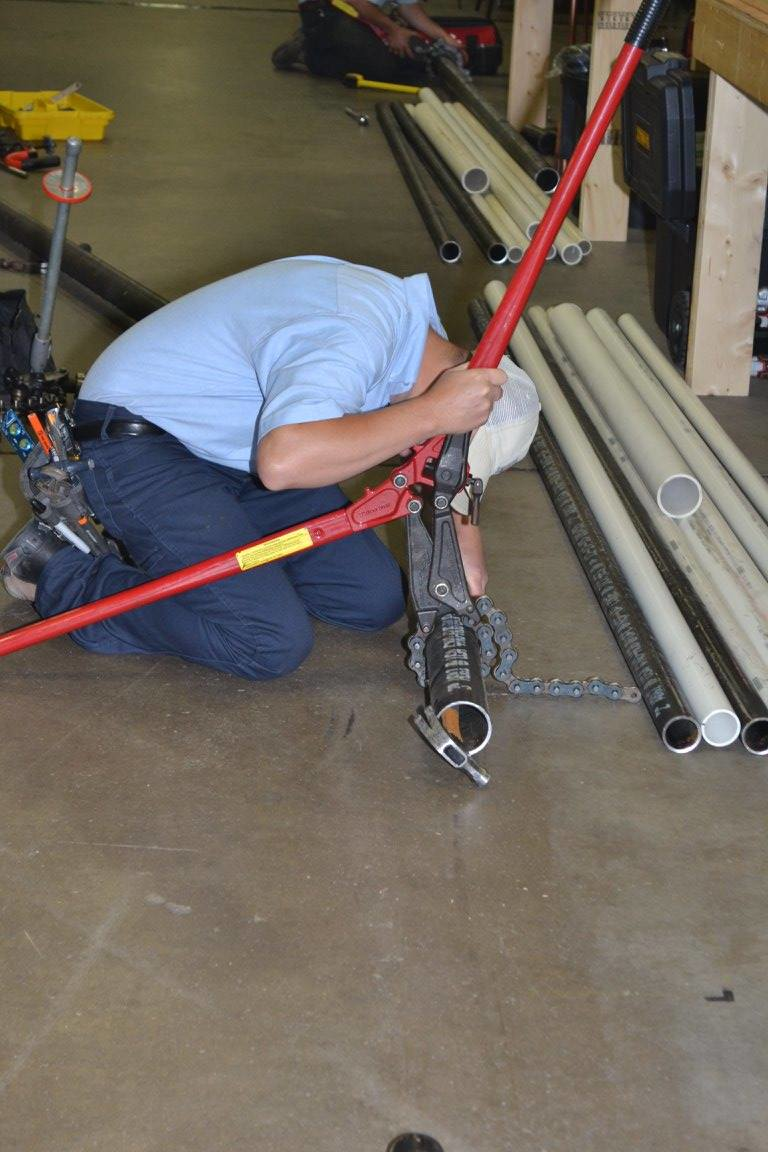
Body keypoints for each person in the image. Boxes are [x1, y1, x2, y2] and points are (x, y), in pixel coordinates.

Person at [1, 257, 538, 682]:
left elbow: (447, 443)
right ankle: (55, 572)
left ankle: (196, 556)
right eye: (430, 449)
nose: (411, 460)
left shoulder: (423, 349)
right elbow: (284, 463)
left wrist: (463, 529)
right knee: (266, 641)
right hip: (141, 443)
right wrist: (429, 416)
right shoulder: (353, 334)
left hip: (233, 447)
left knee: (371, 598)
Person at [271, 0, 464, 84]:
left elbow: (410, 9)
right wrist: (394, 30)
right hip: (326, 11)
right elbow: (359, 2)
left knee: (408, 62)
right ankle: (308, 52)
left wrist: (444, 38)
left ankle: (322, 45)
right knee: (380, 70)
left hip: (360, 16)